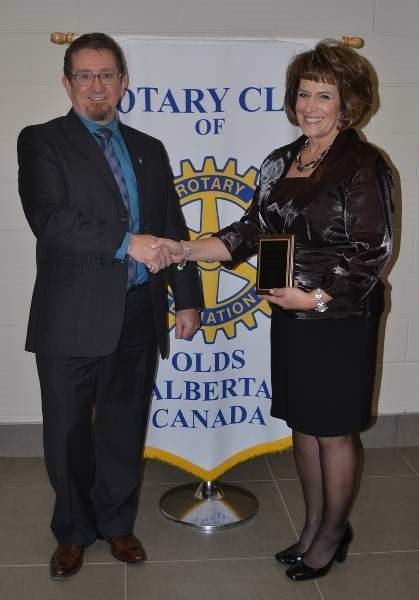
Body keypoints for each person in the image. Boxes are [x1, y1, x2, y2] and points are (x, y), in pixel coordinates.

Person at [154, 40, 394, 581]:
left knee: (332, 431)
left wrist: (317, 297)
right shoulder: (279, 162)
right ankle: (314, 525)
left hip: (339, 318)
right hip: (289, 315)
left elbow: (371, 250)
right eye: (304, 93)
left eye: (324, 95)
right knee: (303, 428)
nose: (311, 105)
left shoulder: (363, 163)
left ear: (348, 102)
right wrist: (185, 249)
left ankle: (333, 534)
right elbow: (248, 233)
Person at [17, 32, 201, 579]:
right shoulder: (42, 141)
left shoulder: (149, 147)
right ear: (67, 83)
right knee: (68, 432)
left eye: (107, 75)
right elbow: (48, 220)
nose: (97, 86)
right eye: (85, 76)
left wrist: (186, 299)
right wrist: (128, 243)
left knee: (123, 427)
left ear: (123, 82)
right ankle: (72, 530)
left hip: (139, 311)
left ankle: (118, 523)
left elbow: (171, 228)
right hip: (69, 315)